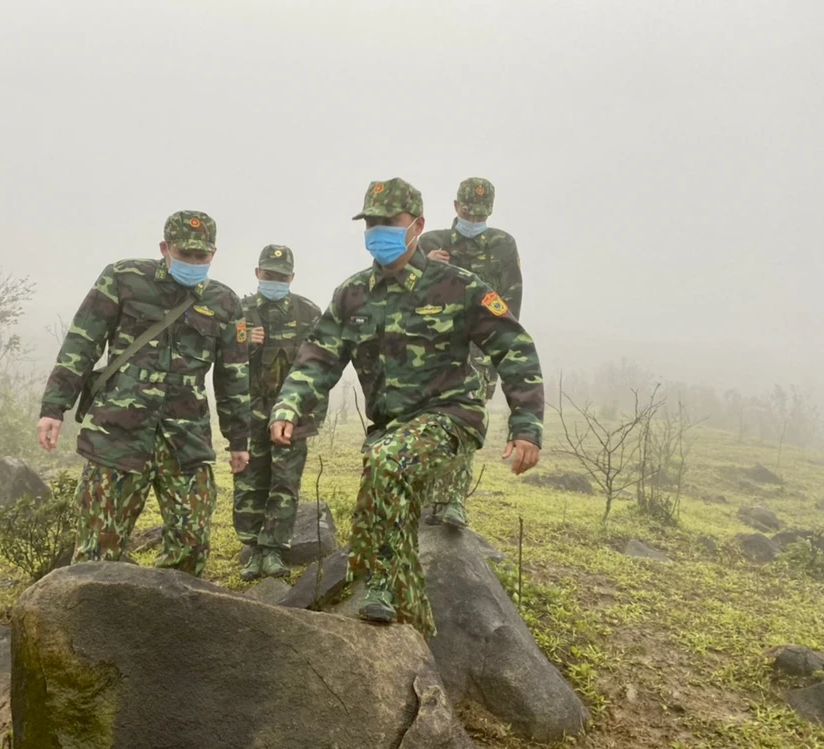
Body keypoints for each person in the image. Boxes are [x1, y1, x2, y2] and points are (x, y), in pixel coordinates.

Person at [268, 178, 544, 638]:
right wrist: (289, 405)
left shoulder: (458, 286)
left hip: (451, 417)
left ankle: (398, 597)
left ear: (417, 225)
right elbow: (317, 357)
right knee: (382, 476)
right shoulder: (353, 294)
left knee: (387, 460)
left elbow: (515, 349)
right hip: (390, 426)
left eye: (389, 221)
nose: (378, 231)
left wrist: (527, 426)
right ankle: (391, 593)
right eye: (371, 223)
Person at [36, 211, 250, 577]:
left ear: (213, 253)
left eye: (201, 255)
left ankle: (169, 610)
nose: (193, 262)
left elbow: (234, 376)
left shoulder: (225, 302)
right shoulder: (123, 278)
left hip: (186, 440)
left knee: (191, 543)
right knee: (98, 549)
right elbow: (82, 342)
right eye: (184, 253)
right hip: (117, 433)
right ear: (165, 248)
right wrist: (54, 407)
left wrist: (239, 439)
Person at [419, 177, 524, 528]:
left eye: (481, 214)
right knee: (428, 420)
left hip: (479, 351)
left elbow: (510, 307)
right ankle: (425, 498)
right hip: (431, 350)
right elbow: (401, 293)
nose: (474, 219)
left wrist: (499, 358)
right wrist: (423, 267)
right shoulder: (430, 242)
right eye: (468, 212)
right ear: (455, 207)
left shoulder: (503, 246)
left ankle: (453, 500)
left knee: (466, 420)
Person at [234, 245, 323, 581]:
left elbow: (320, 365)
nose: (275, 281)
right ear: (257, 273)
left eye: (282, 277)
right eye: (269, 275)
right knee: (249, 482)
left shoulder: (308, 312)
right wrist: (243, 345)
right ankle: (252, 549)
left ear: (292, 278)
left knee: (285, 482)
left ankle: (273, 550)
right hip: (249, 411)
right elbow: (219, 360)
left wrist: (311, 416)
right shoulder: (239, 312)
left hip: (292, 414)